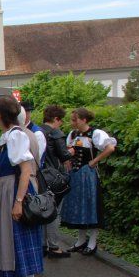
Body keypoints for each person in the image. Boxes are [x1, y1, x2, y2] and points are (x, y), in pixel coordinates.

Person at [0, 97, 44, 277]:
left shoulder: (16, 136)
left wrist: (19, 201)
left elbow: (25, 170)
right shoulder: (9, 136)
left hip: (15, 191)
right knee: (14, 243)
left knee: (22, 242)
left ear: (0, 115)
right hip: (8, 190)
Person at [60, 108, 117, 255]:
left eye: (75, 120)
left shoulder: (96, 133)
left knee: (91, 206)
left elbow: (110, 148)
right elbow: (68, 151)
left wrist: (95, 161)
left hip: (88, 174)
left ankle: (92, 242)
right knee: (79, 206)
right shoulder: (73, 134)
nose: (73, 123)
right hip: (76, 175)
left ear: (84, 120)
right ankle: (80, 240)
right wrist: (67, 161)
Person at [39, 104, 75, 258]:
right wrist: (72, 151)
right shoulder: (56, 133)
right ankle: (54, 246)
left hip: (40, 176)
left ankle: (42, 244)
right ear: (56, 119)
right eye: (61, 120)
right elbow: (64, 155)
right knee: (54, 212)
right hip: (54, 177)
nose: (62, 123)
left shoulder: (37, 131)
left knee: (42, 210)